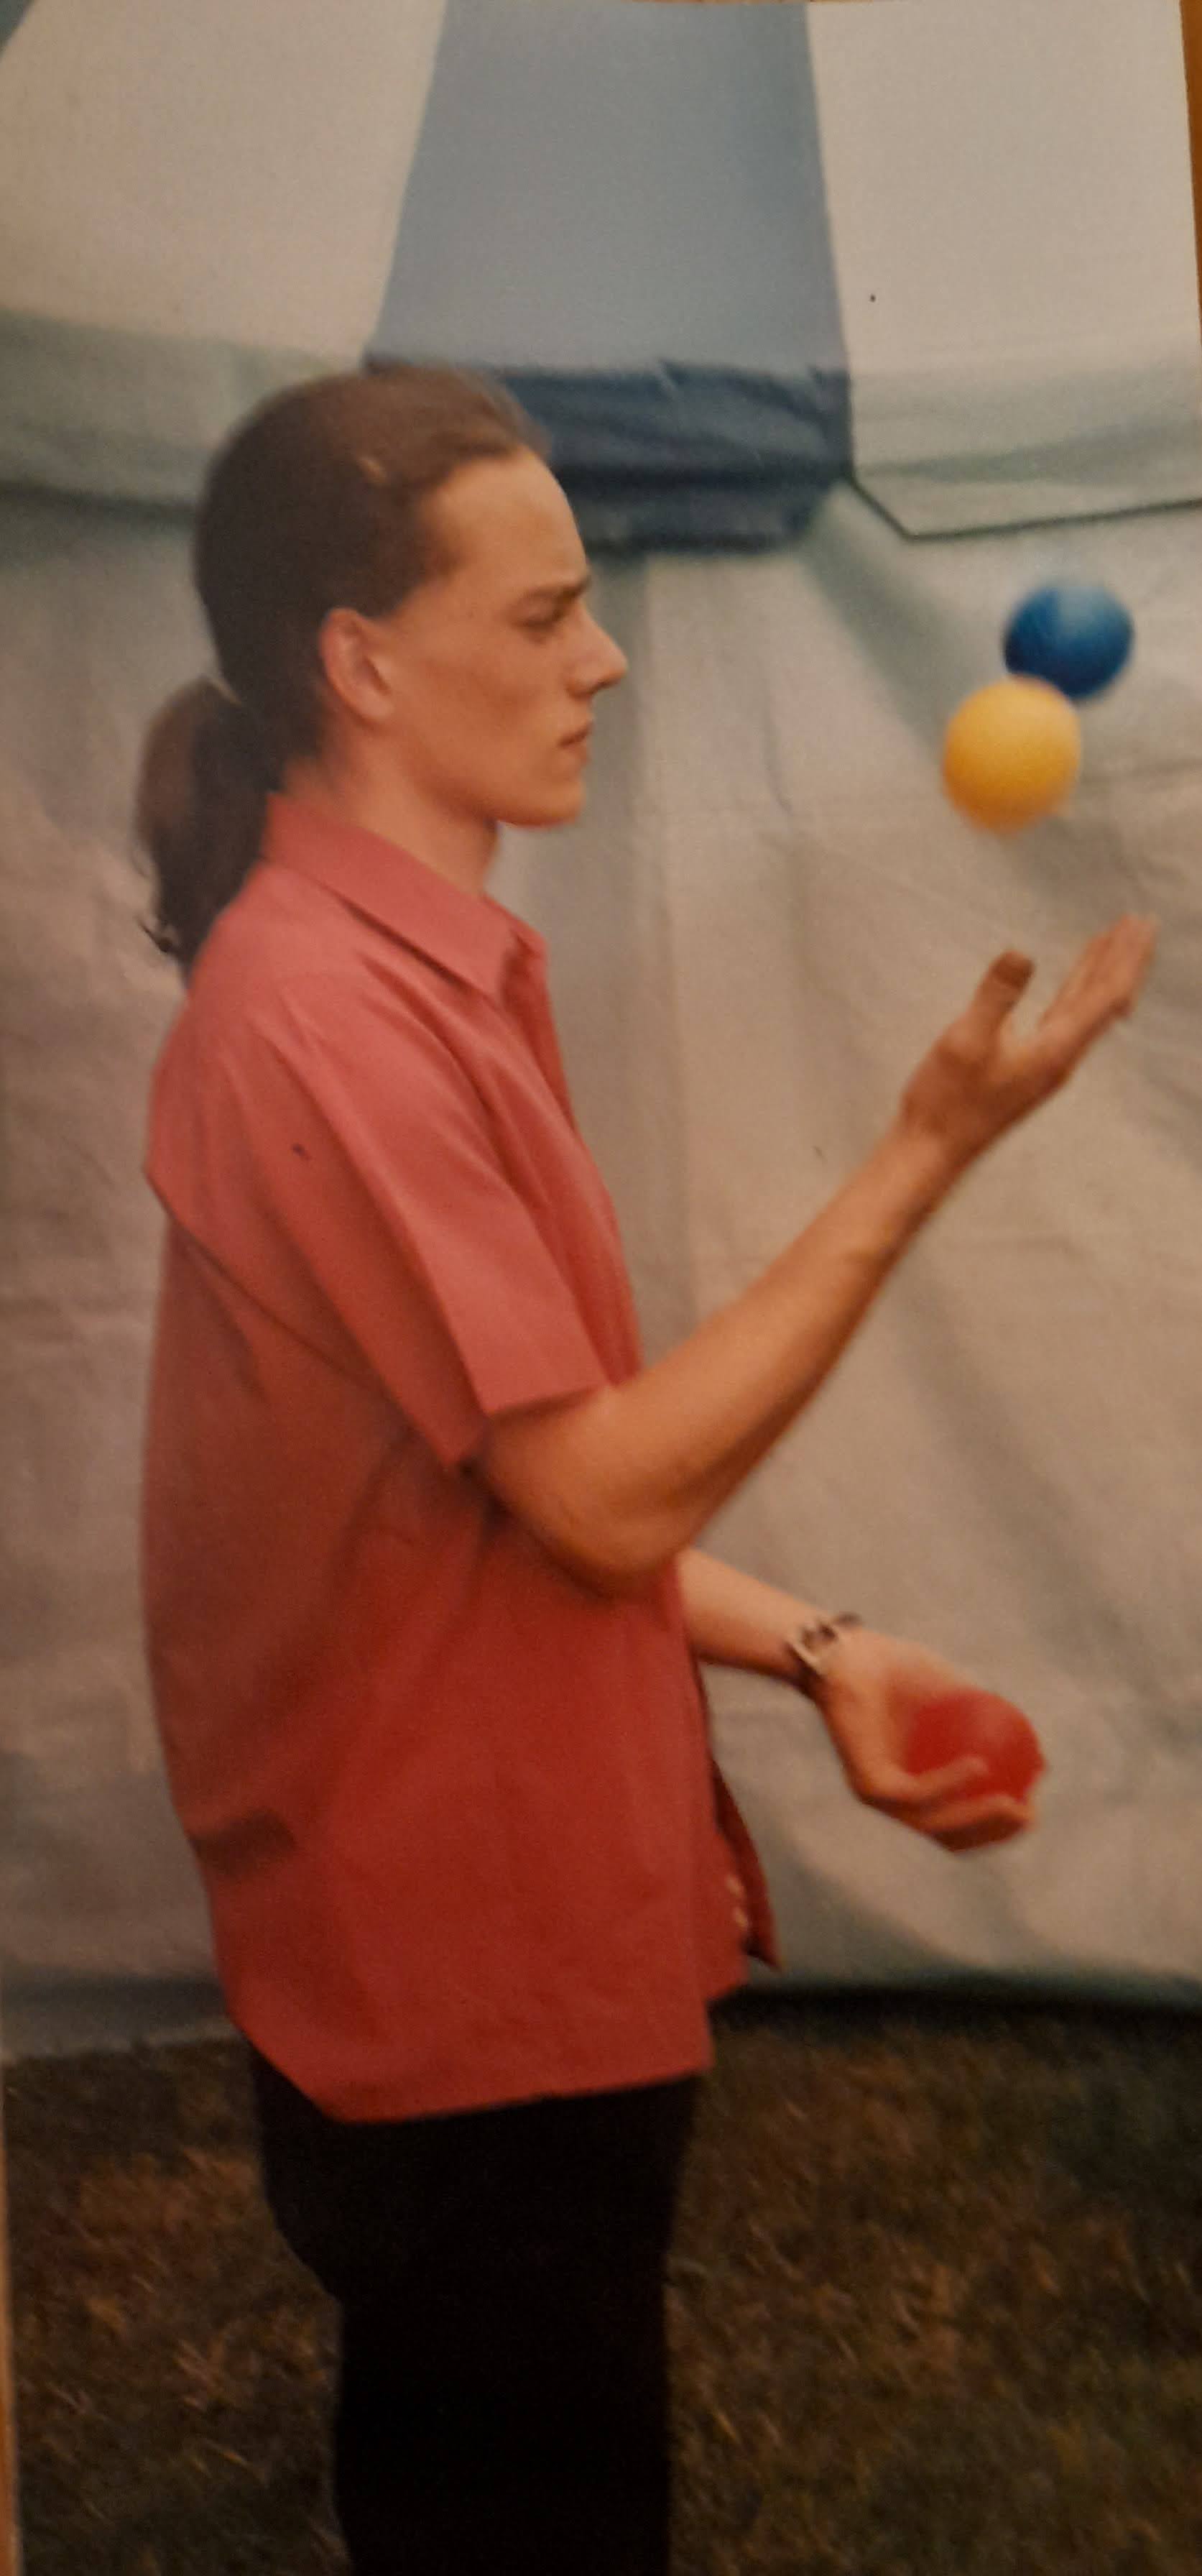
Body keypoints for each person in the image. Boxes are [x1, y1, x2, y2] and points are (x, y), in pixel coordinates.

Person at [136, 363, 1155, 2576]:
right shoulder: (325, 1019)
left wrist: (822, 1648)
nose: (599, 661)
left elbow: (456, 1514)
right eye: (543, 616)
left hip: (497, 1934)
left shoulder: (416, 974)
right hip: (458, 1974)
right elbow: (595, 1496)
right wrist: (924, 1152)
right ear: (360, 665)